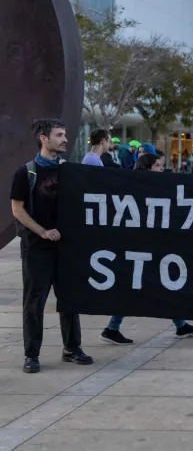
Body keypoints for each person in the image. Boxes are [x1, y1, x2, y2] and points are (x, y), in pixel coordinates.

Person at [100, 153, 193, 345]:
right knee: (136, 286)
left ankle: (179, 325)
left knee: (163, 284)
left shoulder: (153, 187)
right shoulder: (137, 189)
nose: (161, 169)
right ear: (147, 168)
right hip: (139, 247)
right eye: (157, 165)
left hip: (152, 245)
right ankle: (112, 328)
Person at [11, 118, 90, 373]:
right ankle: (31, 355)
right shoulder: (26, 171)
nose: (65, 139)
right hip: (36, 248)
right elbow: (17, 209)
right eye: (59, 135)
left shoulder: (68, 171)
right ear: (44, 139)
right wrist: (43, 232)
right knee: (35, 302)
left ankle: (72, 348)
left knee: (69, 300)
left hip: (66, 248)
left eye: (65, 135)